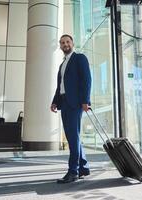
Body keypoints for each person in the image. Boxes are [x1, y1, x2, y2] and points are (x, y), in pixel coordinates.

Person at [51, 34, 92, 184]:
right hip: (64, 102)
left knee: (73, 138)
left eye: (67, 41)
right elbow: (60, 86)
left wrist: (85, 101)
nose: (65, 44)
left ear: (72, 43)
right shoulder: (62, 65)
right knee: (73, 137)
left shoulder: (79, 58)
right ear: (60, 46)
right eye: (62, 43)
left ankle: (73, 171)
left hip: (75, 103)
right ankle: (83, 168)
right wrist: (55, 101)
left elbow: (87, 80)